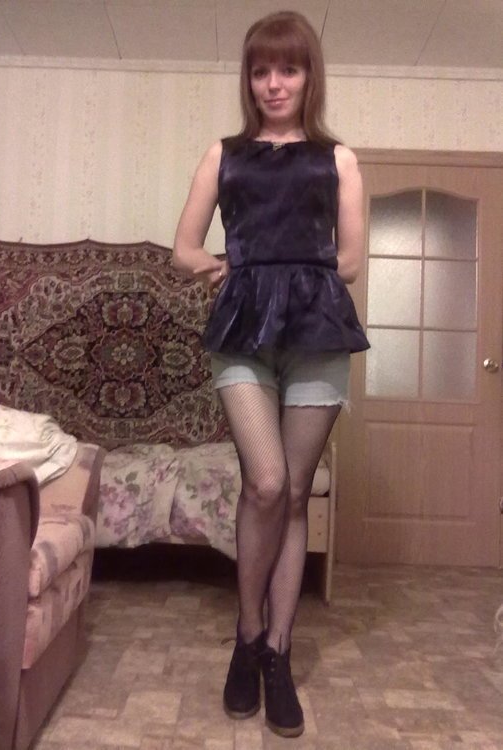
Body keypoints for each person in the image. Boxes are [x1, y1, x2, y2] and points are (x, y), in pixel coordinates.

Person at [173, 10, 369, 739]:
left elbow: (352, 261)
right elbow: (183, 248)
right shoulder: (222, 155)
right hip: (243, 331)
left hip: (317, 331)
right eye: (261, 71)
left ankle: (278, 653)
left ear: (309, 76)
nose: (274, 83)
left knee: (292, 492)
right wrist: (227, 268)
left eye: (288, 69)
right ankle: (247, 634)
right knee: (265, 482)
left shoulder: (339, 160)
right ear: (248, 80)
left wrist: (294, 269)